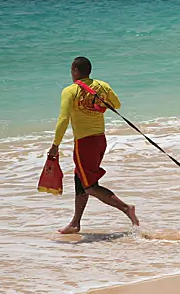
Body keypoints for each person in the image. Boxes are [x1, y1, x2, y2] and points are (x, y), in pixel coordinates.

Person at [48, 56, 139, 234]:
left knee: (90, 186)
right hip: (100, 140)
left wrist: (55, 145)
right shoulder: (102, 86)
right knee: (80, 180)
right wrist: (95, 105)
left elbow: (63, 119)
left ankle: (127, 208)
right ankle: (75, 223)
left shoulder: (70, 90)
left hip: (84, 143)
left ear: (75, 70)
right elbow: (117, 104)